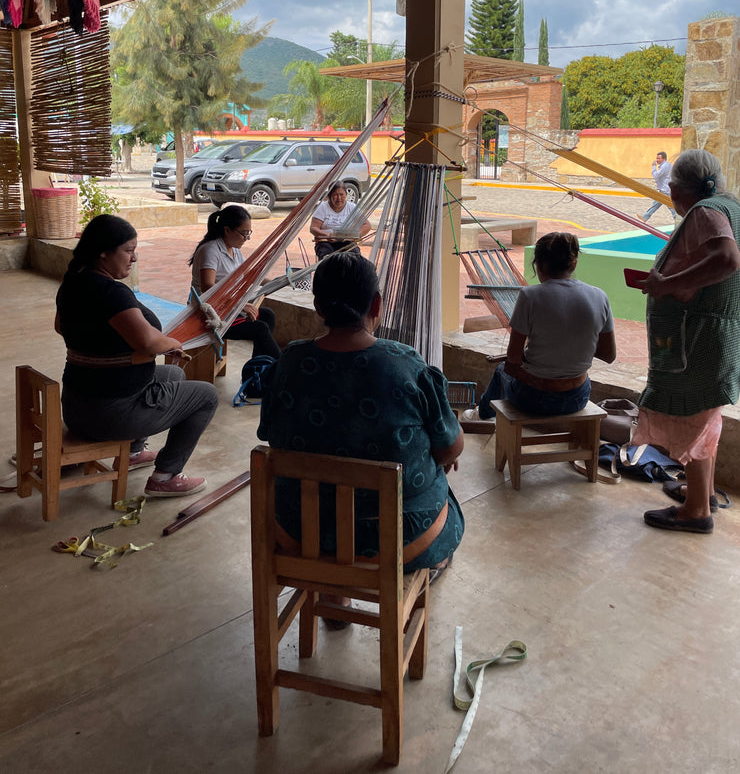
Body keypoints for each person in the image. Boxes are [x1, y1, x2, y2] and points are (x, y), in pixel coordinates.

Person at [257, 252, 464, 617]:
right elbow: (450, 449)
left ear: (318, 307)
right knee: (440, 484)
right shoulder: (406, 364)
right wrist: (440, 456)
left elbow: (271, 435)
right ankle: (425, 563)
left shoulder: (289, 363)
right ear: (377, 304)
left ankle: (335, 591)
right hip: (397, 538)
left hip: (301, 531)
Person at [55, 214, 217, 497]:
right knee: (206, 396)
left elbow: (60, 327)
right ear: (103, 252)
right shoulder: (110, 292)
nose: (134, 258)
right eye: (128, 251)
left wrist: (104, 353)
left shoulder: (74, 281)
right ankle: (166, 476)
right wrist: (171, 342)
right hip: (109, 415)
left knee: (173, 374)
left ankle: (131, 452)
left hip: (77, 407)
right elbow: (147, 342)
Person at [634, 149, 740, 534]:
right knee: (706, 416)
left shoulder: (704, 212)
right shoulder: (731, 208)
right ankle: (703, 492)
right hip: (719, 332)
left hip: (697, 337)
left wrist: (668, 284)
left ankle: (696, 511)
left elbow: (728, 259)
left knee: (692, 418)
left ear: (678, 188)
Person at [463, 232, 616, 423]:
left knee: (501, 370)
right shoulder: (599, 296)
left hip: (532, 398)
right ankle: (483, 414)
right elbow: (608, 355)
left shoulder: (529, 296)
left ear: (540, 265)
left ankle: (482, 415)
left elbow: (513, 360)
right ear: (574, 263)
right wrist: (575, 344)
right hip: (577, 398)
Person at [188, 205, 280, 359]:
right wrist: (239, 305)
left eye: (248, 233)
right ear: (227, 230)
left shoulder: (234, 249)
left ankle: (258, 367)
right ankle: (281, 366)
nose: (247, 238)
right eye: (244, 234)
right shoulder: (210, 250)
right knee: (260, 328)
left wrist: (274, 283)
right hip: (208, 315)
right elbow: (207, 287)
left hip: (226, 309)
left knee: (268, 316)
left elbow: (249, 274)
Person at [310, 180, 371, 260]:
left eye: (341, 194)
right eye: (335, 195)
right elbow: (313, 228)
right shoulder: (323, 207)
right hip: (326, 241)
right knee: (328, 258)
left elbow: (367, 225)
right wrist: (328, 235)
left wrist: (354, 235)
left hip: (346, 241)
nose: (339, 198)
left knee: (354, 257)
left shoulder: (352, 207)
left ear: (346, 195)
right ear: (329, 196)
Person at [640, 151, 676, 223]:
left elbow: (656, 176)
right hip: (665, 189)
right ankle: (645, 217)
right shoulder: (665, 165)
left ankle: (678, 220)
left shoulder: (665, 166)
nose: (657, 160)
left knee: (671, 207)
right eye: (657, 158)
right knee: (656, 204)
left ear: (664, 159)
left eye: (659, 158)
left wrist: (653, 167)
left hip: (666, 190)